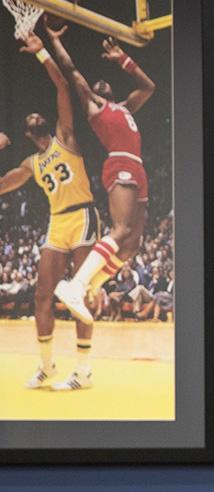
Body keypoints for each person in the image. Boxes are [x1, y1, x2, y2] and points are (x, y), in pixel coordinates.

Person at [0, 32, 99, 391]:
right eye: (30, 117)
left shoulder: (65, 135)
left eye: (37, 113)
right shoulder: (29, 164)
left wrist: (42, 51)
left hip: (84, 214)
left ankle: (84, 371)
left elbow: (61, 84)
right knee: (43, 296)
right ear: (27, 133)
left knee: (81, 295)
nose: (36, 114)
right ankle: (46, 366)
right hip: (58, 222)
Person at [44, 25, 155, 324]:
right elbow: (70, 70)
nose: (101, 81)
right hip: (119, 163)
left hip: (137, 167)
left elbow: (148, 87)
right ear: (93, 93)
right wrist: (54, 42)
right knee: (119, 230)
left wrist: (122, 58)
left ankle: (91, 285)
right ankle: (76, 285)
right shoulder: (96, 106)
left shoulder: (125, 108)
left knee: (132, 244)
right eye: (96, 82)